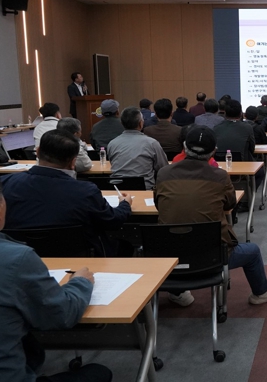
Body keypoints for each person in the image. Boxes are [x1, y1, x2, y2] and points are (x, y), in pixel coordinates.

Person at [154, 126, 267, 306]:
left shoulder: (163, 173)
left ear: (184, 147)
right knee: (252, 251)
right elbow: (230, 204)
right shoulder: (220, 176)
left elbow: (158, 204)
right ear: (214, 151)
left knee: (177, 233)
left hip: (170, 256)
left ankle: (177, 292)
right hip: (213, 256)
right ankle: (262, 292)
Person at [0, 181, 113, 382]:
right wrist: (81, 282)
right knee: (100, 372)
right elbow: (62, 314)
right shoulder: (17, 259)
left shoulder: (11, 183)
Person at [0, 130, 132, 256]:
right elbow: (112, 221)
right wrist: (125, 205)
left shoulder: (4, 184)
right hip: (80, 259)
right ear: (73, 162)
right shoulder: (85, 191)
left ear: (38, 152)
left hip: (16, 259)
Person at [107, 107, 168, 189]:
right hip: (145, 190)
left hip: (118, 190)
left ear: (121, 123)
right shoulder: (152, 143)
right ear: (141, 123)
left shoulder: (112, 144)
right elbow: (163, 168)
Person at [214, 101, 267, 186]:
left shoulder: (216, 128)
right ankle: (249, 192)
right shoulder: (247, 127)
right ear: (241, 114)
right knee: (260, 173)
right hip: (242, 162)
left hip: (219, 165)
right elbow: (252, 148)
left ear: (225, 114)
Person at [245, 105, 267, 177]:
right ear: (257, 117)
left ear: (245, 115)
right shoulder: (258, 128)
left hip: (245, 152)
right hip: (258, 152)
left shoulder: (241, 127)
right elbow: (265, 142)